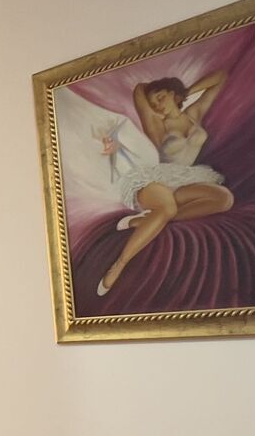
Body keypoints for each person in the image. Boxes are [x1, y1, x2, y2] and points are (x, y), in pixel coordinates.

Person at [94, 71, 236, 296]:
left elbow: (221, 78)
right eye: (154, 104)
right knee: (167, 208)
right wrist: (165, 96)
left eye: (161, 98)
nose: (158, 106)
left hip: (186, 179)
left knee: (224, 198)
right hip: (155, 181)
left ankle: (143, 221)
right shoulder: (156, 124)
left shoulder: (193, 114)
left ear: (173, 94)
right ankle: (119, 265)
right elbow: (139, 89)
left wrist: (185, 92)